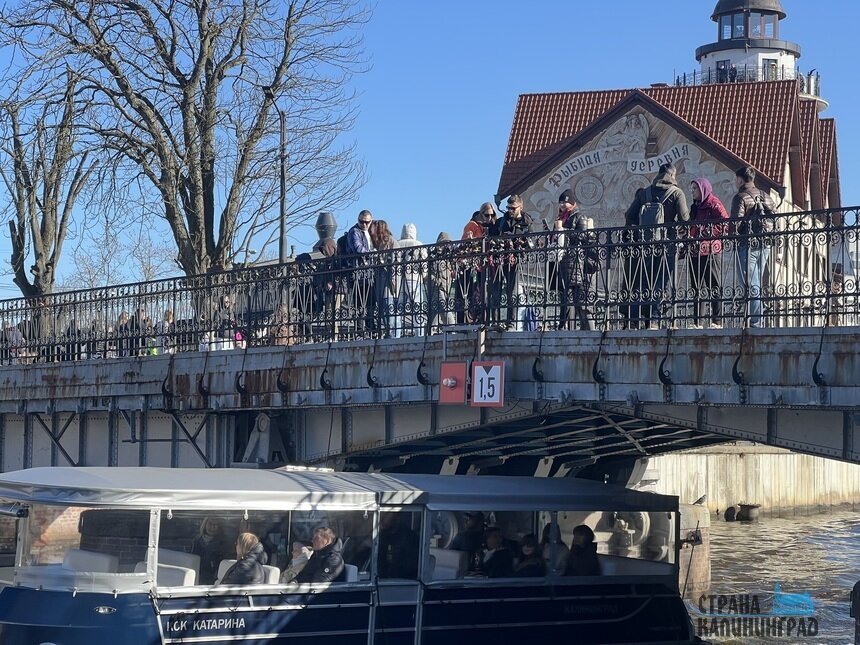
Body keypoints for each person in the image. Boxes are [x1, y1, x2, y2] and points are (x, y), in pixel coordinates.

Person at [622, 163, 689, 329]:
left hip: (645, 244)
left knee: (641, 281)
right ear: (673, 176)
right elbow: (684, 219)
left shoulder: (645, 193)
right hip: (667, 246)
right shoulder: (676, 193)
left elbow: (629, 215)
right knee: (660, 282)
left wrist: (638, 233)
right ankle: (653, 320)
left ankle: (634, 319)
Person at [730, 166, 777, 328]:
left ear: (740, 179)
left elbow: (735, 223)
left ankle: (756, 321)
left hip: (747, 244)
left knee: (750, 283)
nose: (735, 182)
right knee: (756, 279)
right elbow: (775, 221)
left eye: (736, 179)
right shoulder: (767, 197)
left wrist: (731, 236)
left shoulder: (741, 197)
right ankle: (755, 317)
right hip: (765, 243)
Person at [687, 178, 729, 328]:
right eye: (691, 188)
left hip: (711, 250)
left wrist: (706, 232)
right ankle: (698, 321)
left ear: (703, 189)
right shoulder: (695, 207)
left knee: (713, 285)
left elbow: (725, 223)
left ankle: (717, 320)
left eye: (694, 189)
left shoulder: (713, 203)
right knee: (697, 287)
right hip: (695, 251)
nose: (691, 191)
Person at [556, 189, 596, 331]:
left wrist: (564, 233)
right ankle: (566, 325)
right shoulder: (562, 218)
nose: (562, 205)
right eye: (560, 203)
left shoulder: (579, 217)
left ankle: (581, 329)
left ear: (572, 203)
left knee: (579, 300)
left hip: (577, 263)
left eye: (565, 202)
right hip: (565, 263)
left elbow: (583, 238)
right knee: (567, 297)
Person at [494, 195, 534, 330]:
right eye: (508, 208)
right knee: (499, 290)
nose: (510, 211)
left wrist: (520, 246)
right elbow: (497, 235)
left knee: (514, 291)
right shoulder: (504, 220)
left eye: (513, 208)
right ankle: (497, 320)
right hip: (503, 259)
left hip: (519, 260)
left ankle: (512, 322)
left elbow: (531, 242)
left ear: (520, 207)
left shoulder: (527, 221)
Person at [369, 219, 398, 337]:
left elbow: (395, 261)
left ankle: (390, 332)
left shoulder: (390, 241)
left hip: (387, 278)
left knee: (387, 304)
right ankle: (384, 331)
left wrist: (393, 281)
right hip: (380, 277)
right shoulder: (378, 242)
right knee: (382, 304)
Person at [397, 223, 425, 337]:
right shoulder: (419, 245)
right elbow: (424, 264)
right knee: (417, 308)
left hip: (400, 279)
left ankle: (396, 333)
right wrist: (424, 276)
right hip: (415, 278)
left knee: (398, 309)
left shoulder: (398, 244)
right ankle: (420, 333)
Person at [192, 517, 234, 585]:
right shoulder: (197, 540)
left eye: (215, 525)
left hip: (215, 577)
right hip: (198, 575)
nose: (212, 527)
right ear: (205, 525)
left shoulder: (224, 542)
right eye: (210, 524)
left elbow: (225, 560)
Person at [427, 232, 456, 333]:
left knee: (435, 312)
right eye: (445, 243)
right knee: (444, 309)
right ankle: (452, 329)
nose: (447, 245)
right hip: (438, 287)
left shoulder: (448, 258)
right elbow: (430, 273)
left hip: (444, 288)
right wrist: (437, 282)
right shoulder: (436, 256)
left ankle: (429, 332)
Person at [377, 513, 420, 579]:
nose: (381, 517)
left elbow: (411, 567)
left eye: (386, 513)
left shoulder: (410, 538)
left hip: (402, 582)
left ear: (397, 517)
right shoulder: (381, 536)